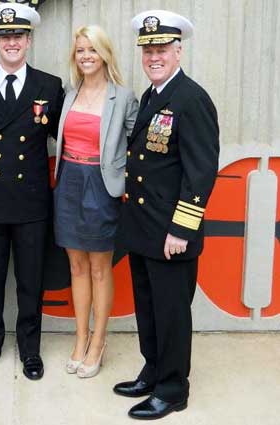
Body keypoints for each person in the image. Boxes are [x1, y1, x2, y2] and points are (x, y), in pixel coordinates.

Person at [113, 10, 220, 420]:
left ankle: (173, 388)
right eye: (148, 49)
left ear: (178, 51)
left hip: (171, 233)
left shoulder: (191, 99)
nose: (154, 56)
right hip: (144, 228)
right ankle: (153, 370)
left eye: (162, 49)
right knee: (148, 306)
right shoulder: (152, 96)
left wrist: (181, 228)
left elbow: (200, 171)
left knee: (172, 312)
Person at [0, 3, 64, 380]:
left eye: (18, 36)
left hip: (31, 201)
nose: (12, 42)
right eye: (4, 36)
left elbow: (69, 137)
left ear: (28, 40)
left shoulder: (50, 86)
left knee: (31, 280)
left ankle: (30, 349)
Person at [53, 25, 138, 378]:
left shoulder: (124, 96)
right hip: (69, 181)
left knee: (100, 267)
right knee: (76, 266)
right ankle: (80, 337)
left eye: (92, 50)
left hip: (101, 186)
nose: (86, 56)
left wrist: (129, 181)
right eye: (80, 50)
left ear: (105, 54)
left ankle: (99, 341)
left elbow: (140, 146)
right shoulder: (69, 94)